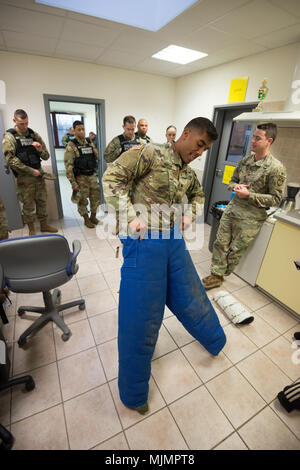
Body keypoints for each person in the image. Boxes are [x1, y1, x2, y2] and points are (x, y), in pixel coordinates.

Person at [102, 117, 226, 414]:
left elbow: (198, 194)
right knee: (142, 317)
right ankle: (134, 395)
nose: (199, 153)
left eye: (205, 149)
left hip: (172, 241)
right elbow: (111, 178)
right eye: (198, 145)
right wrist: (130, 217)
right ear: (185, 135)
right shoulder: (149, 153)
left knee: (192, 298)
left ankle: (215, 340)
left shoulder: (187, 171)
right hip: (144, 243)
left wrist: (191, 213)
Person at [202, 122, 287, 291]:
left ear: (269, 141)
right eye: (253, 137)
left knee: (235, 251)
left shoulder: (276, 168)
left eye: (257, 138)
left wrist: (250, 195)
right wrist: (235, 187)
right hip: (233, 209)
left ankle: (221, 273)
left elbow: (276, 198)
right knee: (220, 243)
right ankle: (216, 276)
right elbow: (232, 180)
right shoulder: (246, 161)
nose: (252, 141)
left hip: (251, 217)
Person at [2, 109, 58, 236]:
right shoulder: (10, 137)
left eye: (26, 123)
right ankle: (31, 229)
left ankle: (44, 225)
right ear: (14, 121)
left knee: (42, 201)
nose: (25, 126)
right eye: (22, 124)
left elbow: (46, 156)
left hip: (39, 176)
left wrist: (39, 150)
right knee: (28, 205)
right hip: (25, 179)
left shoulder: (33, 135)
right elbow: (11, 160)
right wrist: (30, 171)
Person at [64, 120, 101, 228]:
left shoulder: (89, 142)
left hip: (92, 175)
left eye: (83, 129)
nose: (82, 132)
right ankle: (86, 219)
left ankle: (93, 217)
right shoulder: (71, 145)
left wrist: (96, 154)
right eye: (79, 130)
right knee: (82, 200)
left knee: (96, 197)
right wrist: (73, 183)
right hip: (81, 177)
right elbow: (68, 166)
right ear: (74, 131)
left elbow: (96, 158)